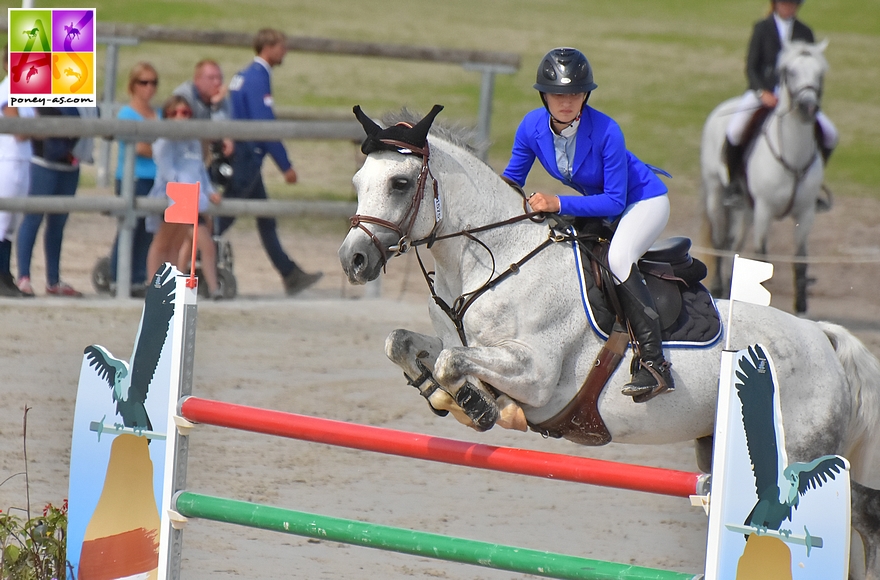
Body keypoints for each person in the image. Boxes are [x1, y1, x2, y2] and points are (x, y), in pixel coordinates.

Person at [502, 47, 674, 400]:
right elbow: (510, 181)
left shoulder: (608, 130)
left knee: (619, 259)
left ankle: (655, 365)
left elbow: (615, 199)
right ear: (543, 95)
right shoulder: (530, 127)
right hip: (600, 207)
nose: (567, 102)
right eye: (558, 95)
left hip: (643, 202)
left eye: (576, 94)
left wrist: (556, 202)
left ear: (586, 95)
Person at [219, 28, 322, 296]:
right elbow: (265, 125)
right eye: (281, 46)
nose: (285, 51)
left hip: (244, 155)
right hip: (248, 158)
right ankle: (190, 258)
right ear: (268, 47)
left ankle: (290, 274)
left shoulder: (244, 75)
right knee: (224, 217)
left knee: (265, 218)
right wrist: (285, 165)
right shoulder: (257, 78)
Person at [723, 0, 838, 207]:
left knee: (830, 134)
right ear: (775, 4)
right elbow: (751, 67)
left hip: (797, 98)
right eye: (785, 3)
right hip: (764, 93)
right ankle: (733, 186)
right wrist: (762, 92)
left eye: (793, 4)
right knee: (735, 130)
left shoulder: (805, 32)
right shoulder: (762, 28)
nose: (788, 7)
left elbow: (813, 71)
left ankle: (813, 183)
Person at [145, 96, 222, 299]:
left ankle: (170, 286)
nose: (181, 117)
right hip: (173, 193)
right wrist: (183, 186)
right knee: (162, 241)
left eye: (185, 113)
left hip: (191, 194)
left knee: (177, 243)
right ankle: (153, 284)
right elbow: (166, 169)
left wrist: (209, 190)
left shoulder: (193, 140)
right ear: (167, 117)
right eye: (175, 113)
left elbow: (199, 169)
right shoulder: (164, 140)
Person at [16, 107, 83, 297]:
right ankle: (24, 277)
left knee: (58, 224)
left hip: (70, 164)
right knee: (32, 218)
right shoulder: (39, 83)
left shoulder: (75, 86)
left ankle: (53, 280)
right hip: (42, 162)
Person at [109, 62, 160, 295]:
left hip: (155, 178)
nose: (149, 88)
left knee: (147, 230)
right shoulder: (126, 114)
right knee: (130, 226)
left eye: (153, 83)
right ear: (133, 85)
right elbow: (139, 148)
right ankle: (118, 276)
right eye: (144, 82)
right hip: (133, 177)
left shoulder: (157, 114)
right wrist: (159, 148)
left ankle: (138, 277)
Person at [0, 44, 35, 297]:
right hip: (8, 160)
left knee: (12, 222)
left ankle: (5, 273)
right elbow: (20, 130)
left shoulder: (26, 94)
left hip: (23, 161)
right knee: (2, 221)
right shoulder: (6, 92)